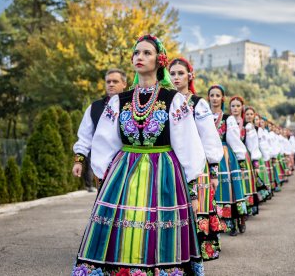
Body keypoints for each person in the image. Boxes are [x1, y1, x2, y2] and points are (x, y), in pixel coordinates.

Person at [72, 35, 206, 275]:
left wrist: (192, 185)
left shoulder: (173, 100)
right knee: (124, 227)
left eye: (147, 53)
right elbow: (105, 140)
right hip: (125, 169)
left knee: (157, 230)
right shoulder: (119, 101)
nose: (140, 57)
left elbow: (187, 142)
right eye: (136, 53)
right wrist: (102, 173)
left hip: (163, 171)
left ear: (159, 60)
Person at [169, 57, 224, 261]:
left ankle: (200, 249)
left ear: (189, 76)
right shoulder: (165, 100)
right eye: (172, 73)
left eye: (180, 73)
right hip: (171, 162)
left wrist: (214, 171)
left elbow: (209, 138)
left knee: (198, 206)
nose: (175, 77)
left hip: (196, 163)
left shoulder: (198, 103)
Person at [72, 68, 127, 192]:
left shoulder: (134, 105)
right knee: (104, 208)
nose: (111, 84)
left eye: (115, 81)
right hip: (103, 168)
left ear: (124, 84)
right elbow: (85, 138)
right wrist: (78, 162)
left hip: (129, 164)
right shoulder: (94, 108)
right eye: (108, 82)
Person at [208, 85, 248, 237]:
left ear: (222, 98)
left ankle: (233, 222)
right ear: (208, 98)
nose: (215, 98)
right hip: (208, 154)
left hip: (224, 156)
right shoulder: (203, 116)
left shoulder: (228, 119)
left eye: (218, 95)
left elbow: (234, 140)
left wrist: (240, 160)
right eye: (212, 95)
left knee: (229, 190)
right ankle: (214, 222)